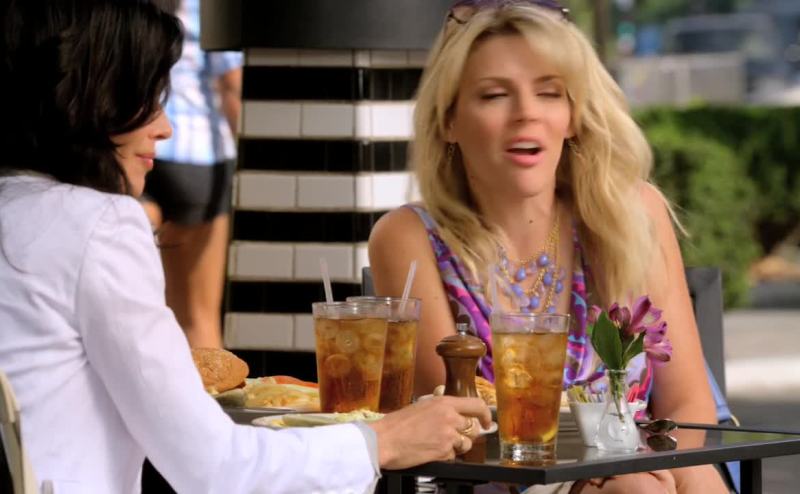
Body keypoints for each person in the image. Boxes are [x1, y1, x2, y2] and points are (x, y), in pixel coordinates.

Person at [0, 1, 490, 492]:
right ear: (91, 98)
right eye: (146, 97)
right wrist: (383, 441)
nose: (165, 126)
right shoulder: (97, 224)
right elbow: (215, 468)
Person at [368, 1, 728, 492]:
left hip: (639, 462)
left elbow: (689, 407)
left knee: (694, 477)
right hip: (499, 476)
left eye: (549, 92)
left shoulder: (631, 212)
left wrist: (642, 466)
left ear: (573, 115)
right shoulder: (408, 236)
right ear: (448, 120)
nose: (527, 113)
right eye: (495, 95)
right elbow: (459, 432)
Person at [141, 0, 241, 349]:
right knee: (198, 318)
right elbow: (231, 85)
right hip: (198, 159)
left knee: (153, 309)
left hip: (135, 154)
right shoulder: (206, 6)